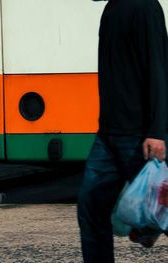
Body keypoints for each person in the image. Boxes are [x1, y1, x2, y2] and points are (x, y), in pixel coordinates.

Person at [77, 0, 168, 262]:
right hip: (108, 135)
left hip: (140, 135)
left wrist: (157, 131)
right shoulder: (111, 9)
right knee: (91, 207)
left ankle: (147, 228)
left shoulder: (144, 7)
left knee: (159, 211)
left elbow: (158, 69)